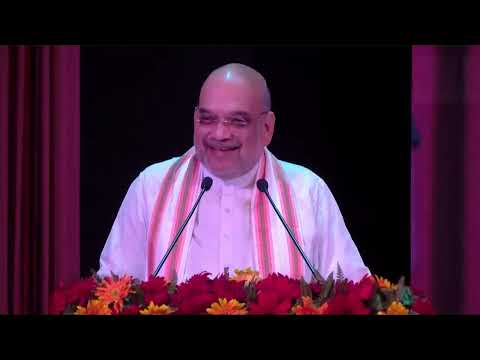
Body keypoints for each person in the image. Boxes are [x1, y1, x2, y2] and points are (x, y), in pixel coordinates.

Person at [98, 63, 370, 283]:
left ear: (267, 128)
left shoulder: (308, 192)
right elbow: (112, 290)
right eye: (207, 119)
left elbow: (352, 292)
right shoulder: (152, 187)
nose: (219, 134)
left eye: (236, 121)